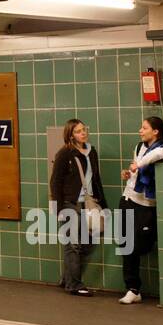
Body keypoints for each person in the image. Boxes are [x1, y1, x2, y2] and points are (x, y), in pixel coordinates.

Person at [50, 119, 108, 296]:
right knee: (73, 244)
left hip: (89, 203)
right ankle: (74, 284)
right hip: (70, 203)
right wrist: (59, 209)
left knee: (89, 242)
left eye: (84, 129)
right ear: (70, 135)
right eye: (78, 131)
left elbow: (96, 179)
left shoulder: (91, 152)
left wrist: (103, 205)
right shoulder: (65, 154)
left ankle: (68, 278)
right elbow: (55, 182)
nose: (83, 133)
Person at [118, 115, 163, 305]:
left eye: (144, 128)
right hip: (128, 198)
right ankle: (132, 288)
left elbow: (155, 156)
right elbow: (135, 171)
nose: (140, 131)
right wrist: (128, 173)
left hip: (146, 205)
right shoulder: (139, 146)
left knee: (142, 245)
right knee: (126, 246)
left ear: (155, 131)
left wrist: (138, 165)